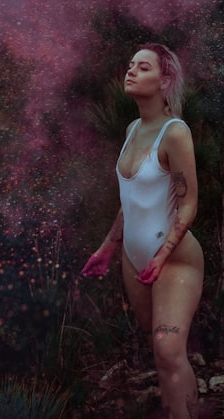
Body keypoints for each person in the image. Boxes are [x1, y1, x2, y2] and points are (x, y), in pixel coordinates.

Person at [82, 43, 204, 419]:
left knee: (168, 351)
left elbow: (188, 204)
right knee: (162, 352)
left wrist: (163, 254)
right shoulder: (133, 128)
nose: (131, 71)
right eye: (130, 65)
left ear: (165, 81)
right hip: (133, 259)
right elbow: (131, 200)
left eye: (143, 67)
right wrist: (106, 248)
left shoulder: (175, 133)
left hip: (174, 259)